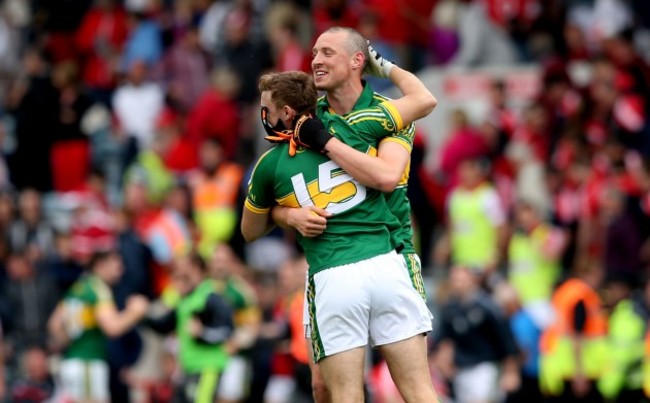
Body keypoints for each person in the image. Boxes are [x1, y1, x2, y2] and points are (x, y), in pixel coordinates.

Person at [242, 68, 437, 403]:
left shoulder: (270, 165)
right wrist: (385, 66)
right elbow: (423, 101)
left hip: (334, 275)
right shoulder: (358, 127)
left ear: (286, 113)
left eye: (267, 108)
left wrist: (287, 214)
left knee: (344, 394)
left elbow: (249, 231)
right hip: (388, 265)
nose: (263, 115)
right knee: (420, 390)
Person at [47, 250, 150, 403]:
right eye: (116, 263)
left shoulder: (79, 287)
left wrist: (74, 343)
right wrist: (135, 312)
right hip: (89, 363)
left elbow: (54, 324)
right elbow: (112, 327)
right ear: (100, 265)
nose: (120, 268)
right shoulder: (98, 288)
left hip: (72, 362)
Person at [145, 252, 234, 403]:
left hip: (207, 367)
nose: (180, 272)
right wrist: (142, 316)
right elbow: (165, 325)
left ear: (197, 269)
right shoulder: (185, 298)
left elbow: (227, 330)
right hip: (189, 366)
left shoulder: (210, 295)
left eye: (185, 268)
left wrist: (202, 333)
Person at [433, 265, 520, 403]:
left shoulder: (487, 306)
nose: (458, 283)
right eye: (455, 279)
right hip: (461, 369)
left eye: (461, 279)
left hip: (485, 367)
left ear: (472, 280)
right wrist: (440, 361)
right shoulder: (450, 309)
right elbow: (442, 339)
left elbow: (506, 339)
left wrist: (511, 371)